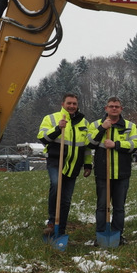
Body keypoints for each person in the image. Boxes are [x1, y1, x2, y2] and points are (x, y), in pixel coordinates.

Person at [38, 93, 92, 237]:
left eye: (74, 104)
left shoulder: (84, 123)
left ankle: (60, 229)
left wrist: (88, 165)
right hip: (56, 161)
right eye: (69, 103)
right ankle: (51, 221)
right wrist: (57, 128)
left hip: (74, 165)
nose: (72, 106)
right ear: (63, 104)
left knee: (66, 199)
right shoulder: (51, 118)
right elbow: (43, 138)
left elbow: (86, 147)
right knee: (56, 185)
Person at [87, 97, 137, 245]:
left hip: (122, 173)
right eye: (111, 106)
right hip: (103, 173)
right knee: (102, 206)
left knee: (119, 207)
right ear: (106, 108)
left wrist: (116, 144)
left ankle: (117, 234)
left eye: (117, 106)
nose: (114, 108)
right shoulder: (96, 124)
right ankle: (101, 234)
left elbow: (135, 144)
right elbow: (90, 143)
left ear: (121, 109)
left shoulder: (130, 126)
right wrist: (103, 128)